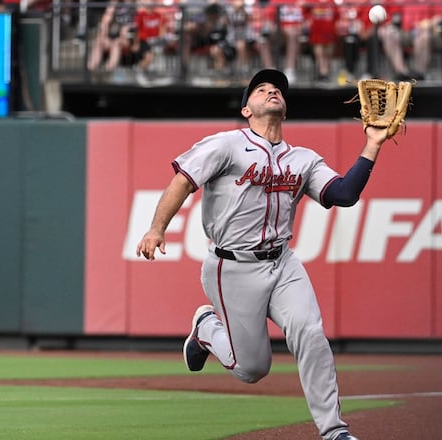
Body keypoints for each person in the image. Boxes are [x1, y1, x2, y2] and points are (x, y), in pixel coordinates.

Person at [135, 68, 392, 440]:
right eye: (261, 89)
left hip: (282, 262)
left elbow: (343, 194)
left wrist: (373, 144)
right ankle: (207, 328)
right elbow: (182, 180)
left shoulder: (303, 159)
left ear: (284, 109)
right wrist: (157, 228)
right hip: (232, 267)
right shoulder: (225, 145)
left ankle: (334, 431)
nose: (272, 91)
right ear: (246, 110)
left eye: (277, 90)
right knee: (252, 368)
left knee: (310, 332)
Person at [87, 0, 136, 73]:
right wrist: (103, 37)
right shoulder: (113, 7)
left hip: (126, 39)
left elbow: (125, 32)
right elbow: (104, 23)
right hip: (112, 38)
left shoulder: (131, 7)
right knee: (98, 43)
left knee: (116, 44)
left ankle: (109, 69)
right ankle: (91, 68)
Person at [305, 0, 341, 83]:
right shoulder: (312, 1)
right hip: (316, 29)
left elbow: (337, 16)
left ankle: (326, 70)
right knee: (319, 51)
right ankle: (322, 71)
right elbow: (305, 12)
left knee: (328, 51)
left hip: (329, 30)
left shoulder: (332, 3)